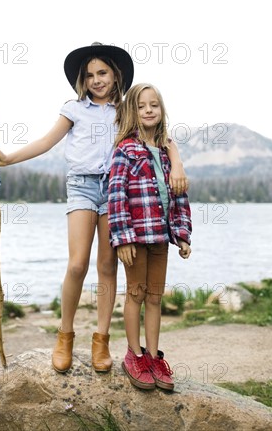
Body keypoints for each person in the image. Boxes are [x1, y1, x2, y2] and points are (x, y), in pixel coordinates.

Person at [0, 44, 188, 374]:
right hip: (81, 186)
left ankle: (102, 340)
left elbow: (163, 138)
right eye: (90, 75)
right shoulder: (74, 109)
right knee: (78, 263)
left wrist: (177, 165)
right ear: (83, 79)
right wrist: (8, 158)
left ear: (115, 75)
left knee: (108, 265)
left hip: (114, 189)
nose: (96, 80)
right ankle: (64, 336)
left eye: (103, 73)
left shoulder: (127, 109)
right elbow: (46, 141)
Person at [108, 82, 192, 390]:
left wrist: (182, 235)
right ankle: (134, 354)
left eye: (153, 105)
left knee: (155, 297)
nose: (148, 110)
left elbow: (180, 196)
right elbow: (115, 195)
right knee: (136, 293)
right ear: (132, 110)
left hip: (160, 238)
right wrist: (122, 237)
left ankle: (154, 356)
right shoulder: (125, 150)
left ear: (161, 110)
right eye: (142, 106)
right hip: (135, 237)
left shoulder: (168, 153)